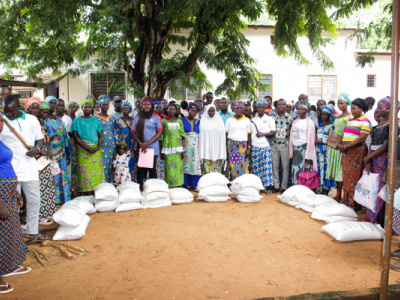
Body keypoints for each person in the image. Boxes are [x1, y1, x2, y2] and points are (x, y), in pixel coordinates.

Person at [1, 94, 47, 240]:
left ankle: (32, 232)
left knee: (34, 201)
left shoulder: (32, 120)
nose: (8, 114)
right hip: (10, 171)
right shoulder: (2, 122)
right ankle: (13, 238)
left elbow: (39, 139)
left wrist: (37, 149)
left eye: (11, 111)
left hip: (30, 169)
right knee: (13, 205)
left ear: (19, 108)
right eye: (5, 111)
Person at [0, 113, 30, 295]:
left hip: (8, 190)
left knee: (11, 230)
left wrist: (15, 192)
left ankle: (8, 265)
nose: (0, 126)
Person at [26, 99, 57, 225]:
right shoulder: (26, 122)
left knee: (47, 186)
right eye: (32, 108)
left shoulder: (41, 123)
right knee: (36, 188)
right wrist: (39, 151)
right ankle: (36, 217)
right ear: (27, 109)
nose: (36, 111)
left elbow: (45, 139)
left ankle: (44, 215)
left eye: (37, 108)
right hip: (34, 157)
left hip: (43, 158)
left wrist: (48, 150)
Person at [338, 98, 372, 210]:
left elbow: (361, 139)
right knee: (346, 175)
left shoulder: (365, 122)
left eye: (354, 108)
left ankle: (354, 204)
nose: (352, 111)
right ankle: (346, 201)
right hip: (347, 151)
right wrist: (342, 145)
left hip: (357, 151)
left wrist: (345, 146)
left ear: (361, 109)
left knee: (354, 177)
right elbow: (346, 134)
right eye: (351, 108)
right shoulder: (350, 120)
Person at [364, 97, 392, 226]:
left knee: (381, 190)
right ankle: (370, 216)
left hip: (383, 161)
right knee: (372, 188)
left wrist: (369, 158)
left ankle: (378, 219)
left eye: (381, 108)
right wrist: (369, 161)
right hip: (374, 160)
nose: (378, 110)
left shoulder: (391, 126)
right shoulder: (376, 127)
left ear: (389, 109)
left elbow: (385, 146)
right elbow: (373, 144)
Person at [70, 99, 105, 194]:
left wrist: (97, 147)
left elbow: (100, 136)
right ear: (82, 108)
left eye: (89, 107)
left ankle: (96, 192)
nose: (87, 109)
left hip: (95, 150)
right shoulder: (77, 120)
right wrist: (86, 147)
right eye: (85, 107)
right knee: (84, 173)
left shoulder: (96, 121)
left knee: (96, 172)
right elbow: (75, 136)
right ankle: (84, 193)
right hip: (83, 150)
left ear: (92, 108)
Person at [325, 93, 352, 202]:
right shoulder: (338, 116)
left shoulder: (349, 117)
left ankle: (340, 195)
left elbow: (347, 132)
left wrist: (342, 144)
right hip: (333, 146)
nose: (340, 105)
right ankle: (336, 194)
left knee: (339, 171)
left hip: (340, 147)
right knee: (335, 170)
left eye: (342, 103)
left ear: (347, 103)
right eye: (338, 103)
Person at [44, 96, 71, 204]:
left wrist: (68, 153)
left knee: (62, 174)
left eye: (55, 103)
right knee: (53, 175)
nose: (53, 105)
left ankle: (64, 198)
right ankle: (54, 200)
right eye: (51, 103)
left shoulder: (59, 119)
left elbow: (65, 136)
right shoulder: (44, 120)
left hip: (61, 153)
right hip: (50, 153)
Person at [131, 98, 163, 190]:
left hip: (152, 147)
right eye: (144, 104)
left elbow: (159, 132)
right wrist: (141, 143)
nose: (146, 106)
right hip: (141, 147)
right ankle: (140, 188)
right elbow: (133, 131)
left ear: (152, 106)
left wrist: (147, 143)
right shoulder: (137, 116)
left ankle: (153, 189)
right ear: (141, 106)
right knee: (140, 169)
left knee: (152, 169)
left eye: (148, 104)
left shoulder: (156, 117)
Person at [250, 99, 276, 194]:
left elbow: (273, 132)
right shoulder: (253, 120)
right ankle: (259, 186)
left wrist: (263, 134)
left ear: (265, 108)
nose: (260, 108)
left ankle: (268, 187)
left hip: (265, 146)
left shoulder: (269, 119)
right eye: (258, 107)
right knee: (256, 168)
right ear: (256, 108)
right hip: (254, 146)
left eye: (262, 107)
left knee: (267, 168)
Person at [289, 101, 318, 185]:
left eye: (303, 109)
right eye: (299, 109)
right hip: (295, 149)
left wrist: (309, 155)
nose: (300, 110)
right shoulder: (295, 122)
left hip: (305, 149)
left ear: (307, 110)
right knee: (295, 169)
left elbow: (312, 139)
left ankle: (304, 190)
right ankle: (296, 188)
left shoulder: (310, 123)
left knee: (304, 171)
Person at [271, 99, 293, 193]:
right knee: (274, 166)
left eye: (283, 104)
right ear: (276, 106)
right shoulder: (272, 117)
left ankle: (284, 186)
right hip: (274, 145)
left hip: (285, 145)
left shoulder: (290, 118)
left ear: (285, 106)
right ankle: (276, 185)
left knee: (285, 166)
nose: (281, 106)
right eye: (279, 104)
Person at [160, 104, 185, 187]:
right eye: (170, 109)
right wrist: (161, 151)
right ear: (167, 110)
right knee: (169, 167)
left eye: (173, 109)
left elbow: (182, 135)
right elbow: (161, 136)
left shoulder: (179, 120)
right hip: (167, 147)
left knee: (178, 167)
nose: (172, 111)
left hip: (178, 148)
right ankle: (170, 185)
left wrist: (183, 150)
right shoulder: (163, 121)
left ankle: (179, 184)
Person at [225, 102, 251, 180]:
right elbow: (225, 135)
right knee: (232, 165)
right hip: (231, 146)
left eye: (240, 108)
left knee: (243, 165)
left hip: (242, 147)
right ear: (234, 109)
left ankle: (242, 183)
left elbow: (249, 135)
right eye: (237, 108)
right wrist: (225, 147)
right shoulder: (229, 120)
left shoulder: (247, 120)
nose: (238, 110)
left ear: (243, 110)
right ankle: (233, 183)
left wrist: (249, 148)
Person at [199, 105, 227, 174]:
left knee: (217, 172)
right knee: (206, 171)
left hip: (217, 151)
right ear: (207, 111)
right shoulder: (203, 121)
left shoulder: (219, 121)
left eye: (213, 110)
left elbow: (222, 137)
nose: (211, 112)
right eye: (210, 110)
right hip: (206, 151)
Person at [94, 96, 116, 183]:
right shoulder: (95, 118)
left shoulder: (112, 118)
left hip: (111, 145)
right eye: (103, 104)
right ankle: (102, 186)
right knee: (101, 166)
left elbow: (113, 131)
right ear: (100, 105)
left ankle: (109, 187)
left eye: (107, 104)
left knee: (110, 166)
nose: (105, 106)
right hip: (100, 145)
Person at [315, 105, 335, 195]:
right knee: (320, 169)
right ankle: (320, 187)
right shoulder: (321, 125)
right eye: (322, 115)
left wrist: (318, 141)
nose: (323, 116)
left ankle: (326, 189)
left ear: (330, 115)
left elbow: (331, 140)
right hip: (319, 151)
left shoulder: (332, 126)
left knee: (327, 169)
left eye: (325, 115)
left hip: (326, 151)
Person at [181, 103, 201, 189]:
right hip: (186, 145)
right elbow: (180, 135)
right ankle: (185, 183)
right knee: (186, 163)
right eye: (191, 110)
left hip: (196, 146)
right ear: (188, 110)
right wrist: (182, 148)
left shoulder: (199, 122)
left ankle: (194, 184)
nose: (193, 113)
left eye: (195, 111)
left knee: (195, 164)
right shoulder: (182, 120)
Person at [114, 101, 135, 178]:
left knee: (131, 163)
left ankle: (131, 180)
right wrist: (117, 146)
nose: (125, 109)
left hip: (131, 145)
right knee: (121, 164)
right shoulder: (118, 120)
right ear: (121, 110)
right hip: (121, 146)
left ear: (130, 110)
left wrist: (134, 145)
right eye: (123, 108)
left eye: (127, 108)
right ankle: (121, 181)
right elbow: (116, 133)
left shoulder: (133, 120)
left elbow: (135, 134)